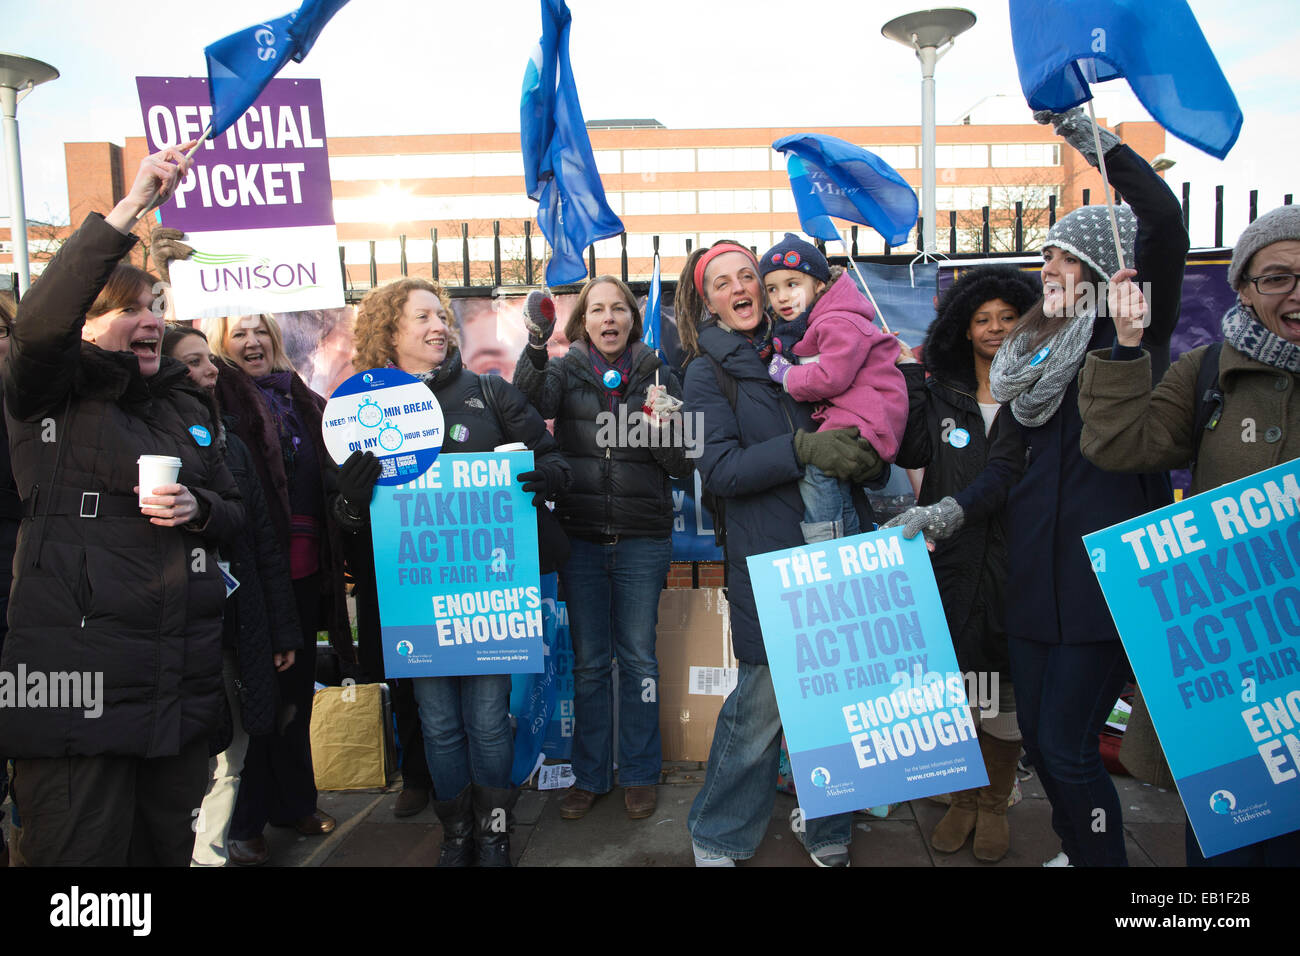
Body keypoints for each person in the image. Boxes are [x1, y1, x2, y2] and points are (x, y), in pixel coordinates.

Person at [887, 109, 1189, 867]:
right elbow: (1004, 470)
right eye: (1044, 259)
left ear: (1095, 273)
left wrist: (1095, 143)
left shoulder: (1129, 333)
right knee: (1048, 753)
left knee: (1065, 744)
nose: (1047, 269)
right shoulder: (1027, 367)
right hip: (1029, 591)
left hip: (1097, 589)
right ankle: (1081, 845)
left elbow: (1162, 220)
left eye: (1062, 259)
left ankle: (1101, 861)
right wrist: (948, 511)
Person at [0, 143, 245, 866]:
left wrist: (196, 507)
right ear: (84, 322)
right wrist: (132, 208)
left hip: (174, 692)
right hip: (79, 698)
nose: (151, 321)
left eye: (157, 307)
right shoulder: (52, 392)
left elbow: (233, 512)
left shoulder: (181, 399)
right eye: (129, 310)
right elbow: (39, 326)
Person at [1077, 203, 1300, 867]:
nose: (1297, 292)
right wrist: (1125, 347)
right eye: (1278, 277)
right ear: (1245, 290)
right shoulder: (1205, 374)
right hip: (1237, 671)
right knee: (1230, 844)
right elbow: (1117, 445)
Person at [339, 276, 571, 866]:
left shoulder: (488, 393)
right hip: (415, 592)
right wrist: (349, 498)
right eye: (422, 318)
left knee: (490, 722)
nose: (439, 326)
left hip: (489, 594)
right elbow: (347, 518)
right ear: (388, 331)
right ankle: (457, 835)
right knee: (439, 726)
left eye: (442, 316)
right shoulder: (361, 411)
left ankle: (494, 834)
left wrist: (545, 477)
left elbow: (552, 461)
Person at [674, 240, 886, 866]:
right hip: (768, 558)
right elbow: (720, 471)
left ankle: (826, 828)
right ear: (706, 300)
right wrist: (802, 450)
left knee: (837, 696)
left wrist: (870, 453)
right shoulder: (703, 372)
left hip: (841, 547)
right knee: (761, 703)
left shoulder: (810, 341)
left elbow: (855, 431)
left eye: (750, 276)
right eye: (722, 282)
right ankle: (717, 833)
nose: (740, 288)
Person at [513, 276, 691, 823]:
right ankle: (590, 777)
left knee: (637, 660)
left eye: (619, 308)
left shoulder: (660, 372)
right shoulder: (565, 370)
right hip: (583, 540)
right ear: (582, 321)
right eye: (597, 310)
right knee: (591, 665)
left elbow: (685, 466)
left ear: (632, 320)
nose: (609, 318)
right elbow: (524, 400)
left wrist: (659, 431)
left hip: (642, 541)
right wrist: (537, 343)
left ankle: (639, 774)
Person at [892, 265, 1041, 862]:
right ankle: (961, 798)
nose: (996, 329)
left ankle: (994, 800)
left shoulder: (1039, 386)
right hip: (949, 561)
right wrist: (909, 382)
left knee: (1002, 696)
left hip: (1015, 560)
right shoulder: (942, 388)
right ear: (962, 327)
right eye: (983, 319)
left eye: (1008, 318)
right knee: (954, 691)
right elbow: (909, 453)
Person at [203, 312, 354, 865]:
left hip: (308, 570)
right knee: (258, 699)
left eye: (259, 331)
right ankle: (246, 818)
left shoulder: (304, 400)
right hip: (254, 573)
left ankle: (294, 802)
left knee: (296, 696)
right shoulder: (217, 402)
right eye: (238, 333)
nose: (252, 341)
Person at [163, 326, 302, 867]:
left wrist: (280, 629)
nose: (211, 369)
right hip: (172, 630)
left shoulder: (235, 447)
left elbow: (262, 545)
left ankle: (210, 857)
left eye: (208, 360)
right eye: (193, 363)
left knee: (232, 758)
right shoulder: (141, 441)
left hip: (234, 629)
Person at [761, 233, 908, 541]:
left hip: (867, 421)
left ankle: (825, 544)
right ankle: (846, 541)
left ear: (819, 284)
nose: (782, 297)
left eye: (793, 284)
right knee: (836, 484)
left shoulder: (837, 320)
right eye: (772, 289)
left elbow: (831, 378)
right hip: (859, 419)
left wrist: (787, 375)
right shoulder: (820, 320)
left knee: (817, 467)